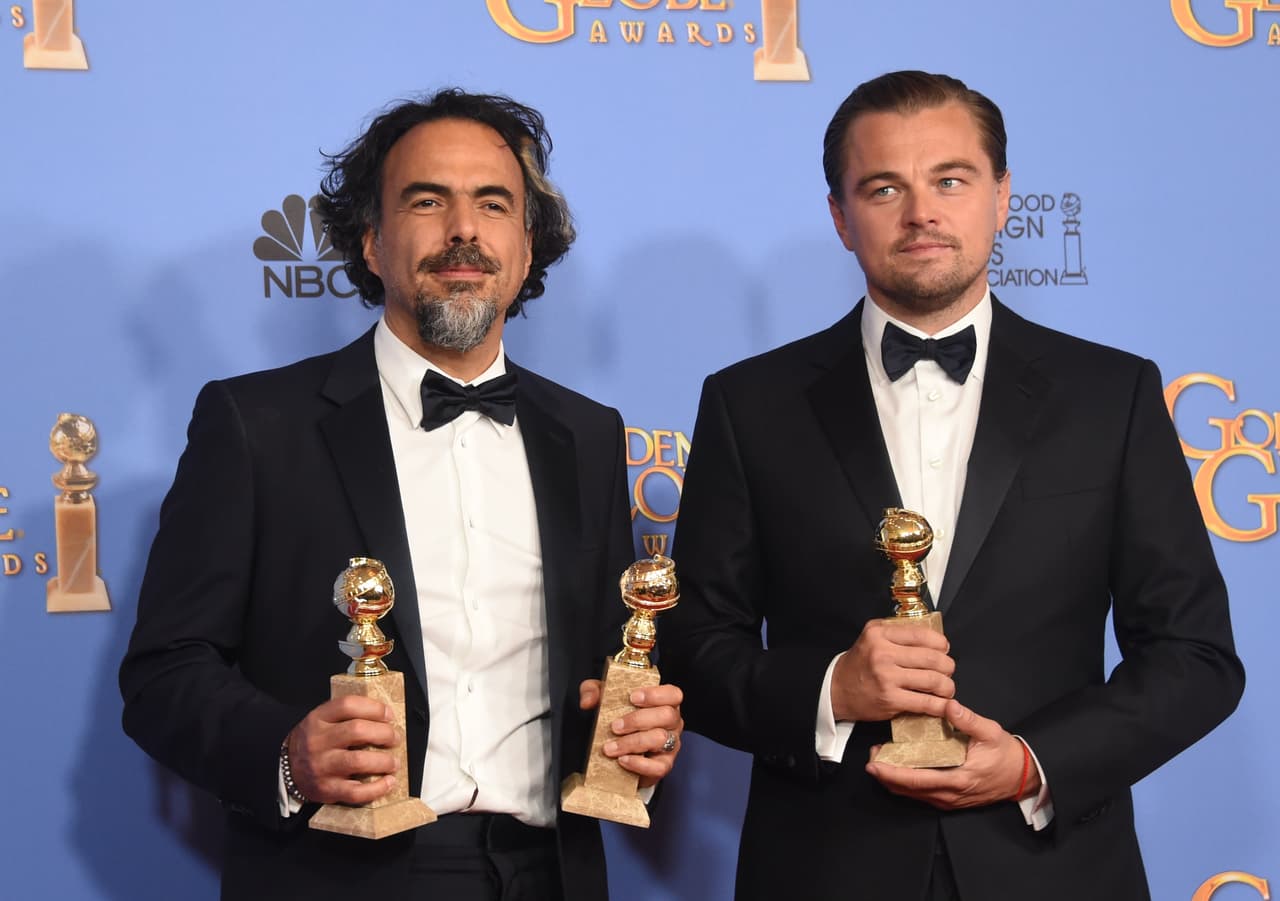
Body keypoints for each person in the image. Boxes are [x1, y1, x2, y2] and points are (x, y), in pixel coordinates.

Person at [663, 70, 1243, 901]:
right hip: (825, 868)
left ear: (1002, 196)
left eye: (951, 180)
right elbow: (692, 648)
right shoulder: (749, 404)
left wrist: (1033, 762)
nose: (921, 213)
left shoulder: (1110, 396)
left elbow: (1196, 657)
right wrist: (833, 687)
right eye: (884, 187)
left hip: (1055, 868)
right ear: (839, 216)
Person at [119, 88, 683, 901]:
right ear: (372, 242)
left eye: (494, 204)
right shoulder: (256, 424)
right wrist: (286, 752)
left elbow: (607, 660)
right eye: (428, 201)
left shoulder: (588, 435)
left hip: (550, 873)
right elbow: (165, 672)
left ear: (527, 247)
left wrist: (634, 726)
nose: (463, 230)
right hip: (339, 875)